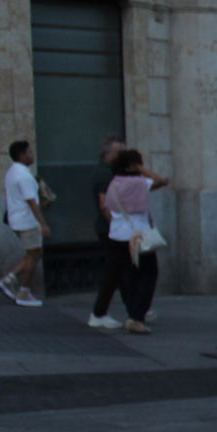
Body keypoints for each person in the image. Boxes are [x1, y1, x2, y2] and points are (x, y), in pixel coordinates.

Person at [102, 149, 169, 335]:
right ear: (133, 166)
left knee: (129, 276)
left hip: (117, 235)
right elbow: (162, 181)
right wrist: (142, 169)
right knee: (148, 274)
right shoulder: (139, 183)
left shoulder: (114, 183)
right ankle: (137, 317)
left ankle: (133, 313)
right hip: (137, 237)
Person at [0, 140, 48, 308]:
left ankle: (11, 278)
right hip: (27, 221)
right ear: (21, 155)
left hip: (17, 220)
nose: (32, 155)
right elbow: (32, 202)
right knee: (35, 255)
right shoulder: (23, 176)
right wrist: (43, 224)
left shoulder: (12, 172)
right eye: (29, 152)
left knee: (32, 253)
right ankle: (23, 291)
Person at [88, 134, 126, 329]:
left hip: (111, 228)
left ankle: (136, 309)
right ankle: (99, 312)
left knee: (120, 270)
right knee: (113, 271)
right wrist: (116, 226)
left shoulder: (110, 171)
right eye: (119, 152)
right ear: (107, 153)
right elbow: (104, 205)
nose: (122, 156)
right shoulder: (104, 174)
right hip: (110, 229)